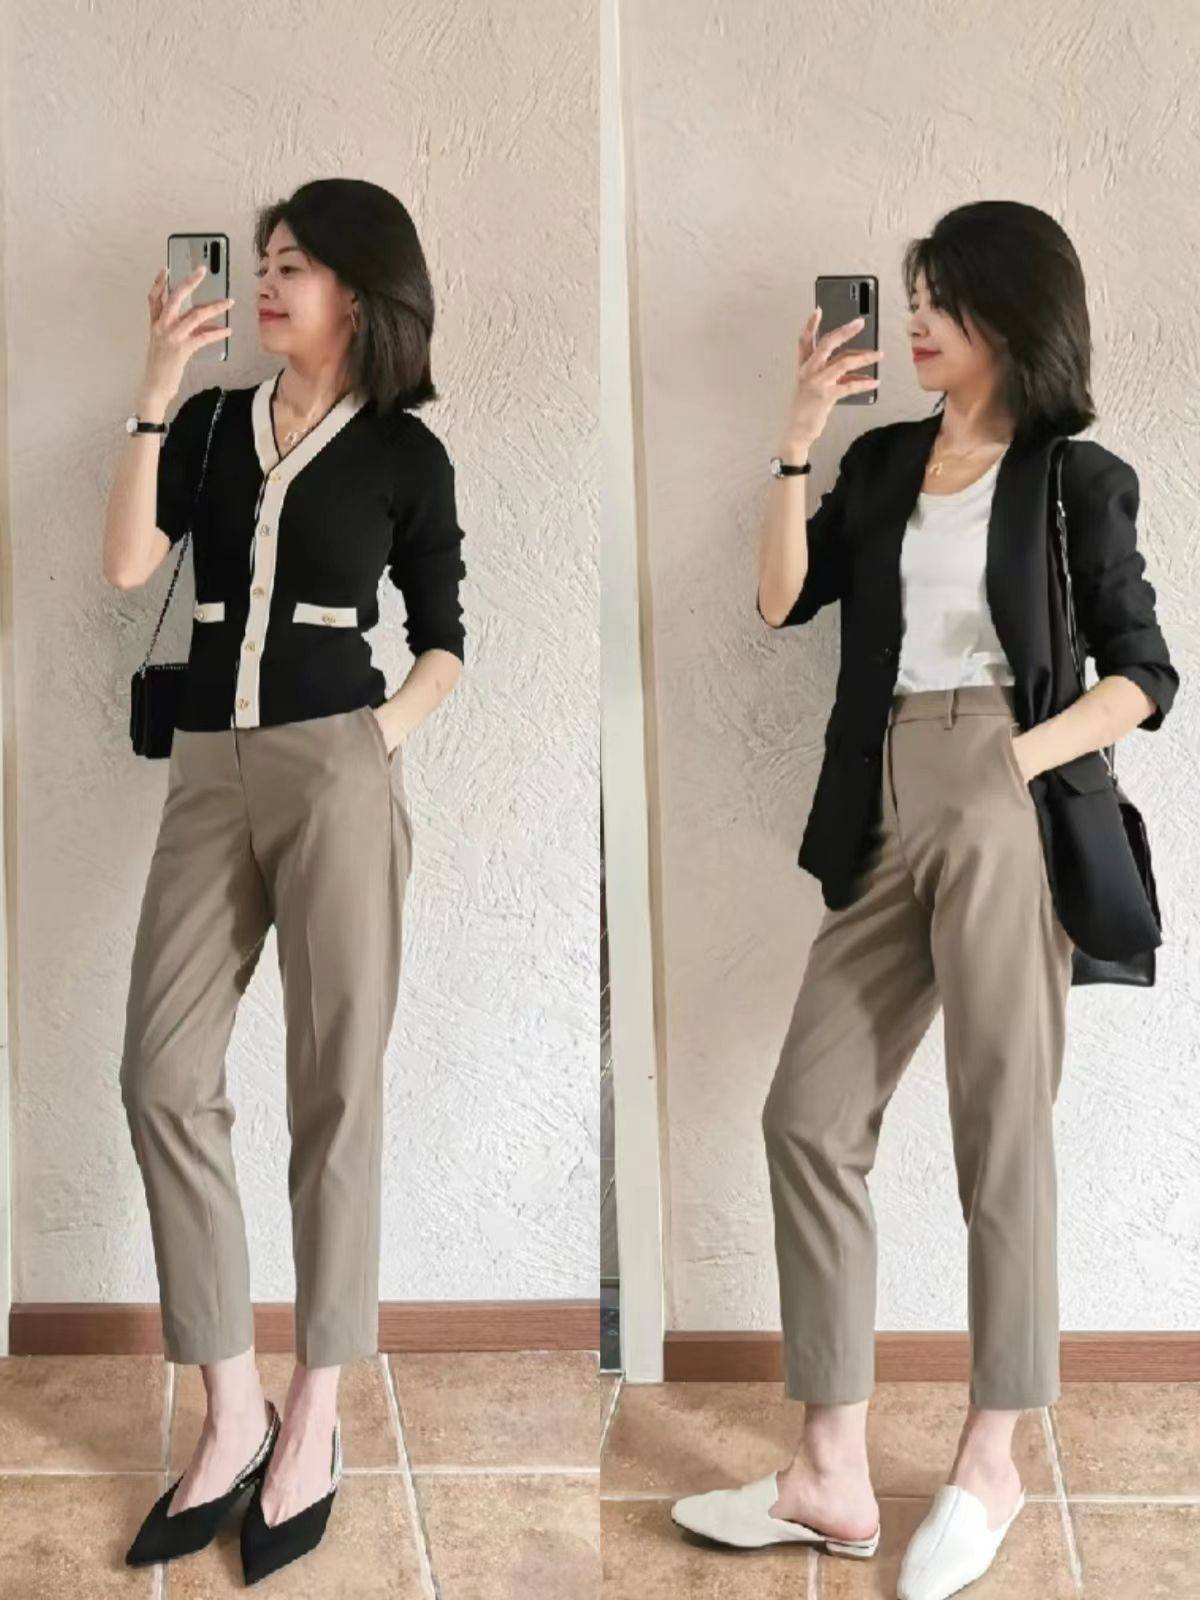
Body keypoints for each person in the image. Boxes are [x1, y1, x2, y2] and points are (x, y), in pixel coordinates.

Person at [670, 202, 1177, 1600]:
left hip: (1007, 787)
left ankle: (992, 1459)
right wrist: (796, 436)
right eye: (912, 296)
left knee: (998, 1134)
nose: (914, 320)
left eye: (940, 297)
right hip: (882, 794)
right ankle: (828, 1474)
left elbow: (1145, 674)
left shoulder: (1076, 478)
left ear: (1011, 312)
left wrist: (1017, 761)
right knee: (807, 1115)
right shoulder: (886, 460)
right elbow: (783, 601)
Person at [105, 178, 466, 1585]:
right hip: (209, 773)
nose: (267, 282)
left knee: (336, 1092)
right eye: (262, 261)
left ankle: (316, 1409)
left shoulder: (406, 454)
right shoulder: (208, 424)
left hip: (339, 775)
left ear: (360, 294)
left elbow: (444, 640)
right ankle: (232, 1406)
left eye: (294, 265)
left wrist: (371, 744)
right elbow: (128, 562)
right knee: (160, 1073)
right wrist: (154, 386)